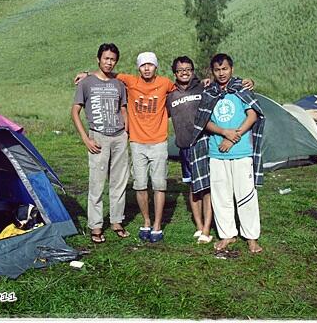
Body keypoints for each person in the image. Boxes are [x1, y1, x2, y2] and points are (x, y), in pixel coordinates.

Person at [76, 51, 174, 242]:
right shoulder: (128, 81)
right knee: (137, 184)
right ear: (138, 67)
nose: (147, 68)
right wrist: (87, 75)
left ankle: (153, 225)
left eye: (150, 65)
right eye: (143, 65)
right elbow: (106, 73)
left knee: (155, 184)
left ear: (156, 67)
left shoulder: (165, 83)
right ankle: (141, 221)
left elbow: (184, 86)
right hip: (135, 141)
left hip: (156, 141)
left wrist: (204, 82)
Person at [190, 53, 265, 254]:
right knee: (221, 195)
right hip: (216, 151)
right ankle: (227, 235)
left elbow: (253, 114)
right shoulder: (210, 92)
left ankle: (251, 237)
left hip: (241, 151)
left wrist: (234, 136)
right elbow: (204, 120)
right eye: (217, 70)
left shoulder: (241, 89)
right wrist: (224, 133)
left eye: (225, 69)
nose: (221, 73)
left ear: (231, 69)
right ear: (212, 72)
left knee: (246, 194)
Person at [71, 43, 130, 243]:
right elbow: (75, 112)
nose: (109, 62)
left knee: (119, 181)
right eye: (106, 58)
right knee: (96, 182)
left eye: (113, 59)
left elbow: (123, 109)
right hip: (98, 137)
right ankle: (95, 225)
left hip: (119, 136)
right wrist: (86, 138)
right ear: (98, 59)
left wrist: (127, 131)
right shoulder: (86, 83)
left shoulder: (118, 84)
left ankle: (116, 221)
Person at [166, 56, 213, 244]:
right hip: (184, 147)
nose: (184, 72)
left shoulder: (203, 87)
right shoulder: (170, 94)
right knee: (193, 188)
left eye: (188, 69)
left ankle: (207, 229)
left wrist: (248, 82)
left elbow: (225, 83)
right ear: (175, 73)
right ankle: (199, 226)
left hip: (203, 143)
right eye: (180, 70)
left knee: (207, 188)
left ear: (193, 70)